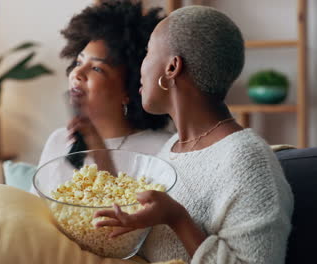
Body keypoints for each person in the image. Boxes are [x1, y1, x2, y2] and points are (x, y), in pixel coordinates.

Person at [95, 6, 294, 264]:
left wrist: (178, 219)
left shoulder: (249, 161)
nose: (139, 68)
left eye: (147, 53)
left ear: (172, 67)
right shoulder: (170, 150)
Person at [36, 1, 172, 170]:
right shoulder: (58, 141)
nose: (77, 73)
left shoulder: (161, 149)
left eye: (96, 68)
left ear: (130, 89)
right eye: (79, 62)